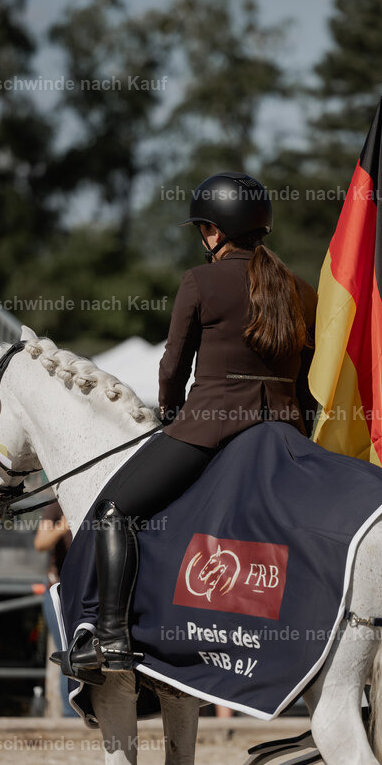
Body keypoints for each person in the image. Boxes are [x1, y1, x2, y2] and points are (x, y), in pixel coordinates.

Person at [56, 171, 317, 682]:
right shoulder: (300, 290)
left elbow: (173, 367)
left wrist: (172, 415)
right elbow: (306, 380)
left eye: (203, 228)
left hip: (209, 428)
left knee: (113, 511)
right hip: (285, 432)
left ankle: (110, 636)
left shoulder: (200, 281)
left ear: (215, 232)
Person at [34, 502, 74, 714]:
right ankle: (70, 718)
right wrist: (62, 527)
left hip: (89, 592)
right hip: (59, 592)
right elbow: (40, 543)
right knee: (67, 656)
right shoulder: (57, 505)